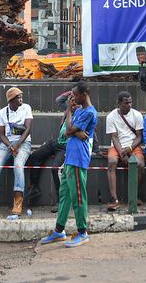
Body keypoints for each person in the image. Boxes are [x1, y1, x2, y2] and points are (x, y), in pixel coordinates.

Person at [39, 81, 98, 248]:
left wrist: (74, 128)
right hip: (70, 157)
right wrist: (73, 124)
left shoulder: (89, 113)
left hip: (79, 158)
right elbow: (67, 131)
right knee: (64, 194)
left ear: (83, 94)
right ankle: (59, 230)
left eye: (75, 94)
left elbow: (70, 129)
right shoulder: (79, 110)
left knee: (78, 195)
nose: (72, 97)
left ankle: (82, 232)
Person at [0, 87, 33, 216]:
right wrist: (10, 146)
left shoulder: (26, 108)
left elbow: (28, 129)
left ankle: (18, 201)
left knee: (18, 165)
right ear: (11, 100)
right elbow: (1, 135)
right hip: (6, 144)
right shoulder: (1, 113)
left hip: (23, 143)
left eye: (21, 97)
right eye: (18, 98)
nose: (21, 100)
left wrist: (17, 145)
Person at [25, 91, 75, 211]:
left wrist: (96, 149)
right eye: (71, 100)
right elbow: (59, 100)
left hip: (67, 147)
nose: (72, 103)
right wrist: (72, 91)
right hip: (57, 142)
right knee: (34, 156)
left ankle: (60, 200)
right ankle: (34, 187)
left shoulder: (81, 113)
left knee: (55, 168)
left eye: (75, 100)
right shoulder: (67, 108)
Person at [105, 91, 144, 211]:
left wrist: (130, 149)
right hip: (117, 146)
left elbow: (139, 136)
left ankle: (133, 195)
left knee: (140, 165)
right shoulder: (111, 116)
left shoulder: (137, 115)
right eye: (126, 103)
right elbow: (114, 137)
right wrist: (122, 152)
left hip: (133, 145)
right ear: (119, 104)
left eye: (130, 102)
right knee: (111, 162)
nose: (129, 105)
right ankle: (114, 199)